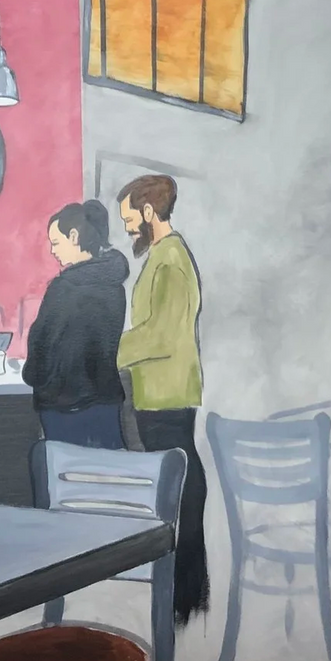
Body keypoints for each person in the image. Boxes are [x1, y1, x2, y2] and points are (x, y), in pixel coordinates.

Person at [116, 173, 209, 622]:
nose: (129, 228)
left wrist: (107, 352)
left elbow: (160, 334)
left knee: (178, 497)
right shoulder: (162, 255)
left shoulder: (169, 259)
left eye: (130, 219)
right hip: (161, 392)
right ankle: (182, 600)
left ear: (149, 211)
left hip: (166, 395)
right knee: (175, 494)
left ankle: (182, 603)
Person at [24, 200, 130, 449]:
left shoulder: (64, 289)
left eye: (56, 242)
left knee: (67, 479)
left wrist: (32, 375)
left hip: (64, 404)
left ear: (74, 236)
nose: (52, 251)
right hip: (106, 400)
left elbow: (42, 344)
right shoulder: (115, 286)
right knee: (111, 476)